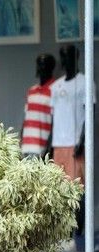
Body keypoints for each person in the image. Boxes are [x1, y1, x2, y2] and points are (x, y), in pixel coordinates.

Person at [50, 44, 95, 185]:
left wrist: (82, 141)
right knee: (57, 187)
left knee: (76, 187)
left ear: (76, 57)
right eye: (62, 56)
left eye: (68, 56)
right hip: (58, 144)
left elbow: (90, 114)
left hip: (75, 144)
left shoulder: (85, 82)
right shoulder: (55, 86)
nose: (65, 60)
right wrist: (50, 145)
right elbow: (53, 118)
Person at [20, 54, 56, 158]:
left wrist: (49, 149)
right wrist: (21, 140)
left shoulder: (55, 90)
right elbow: (26, 119)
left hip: (42, 147)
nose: (40, 68)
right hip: (26, 147)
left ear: (51, 67)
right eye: (39, 65)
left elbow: (56, 123)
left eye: (44, 65)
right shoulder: (31, 91)